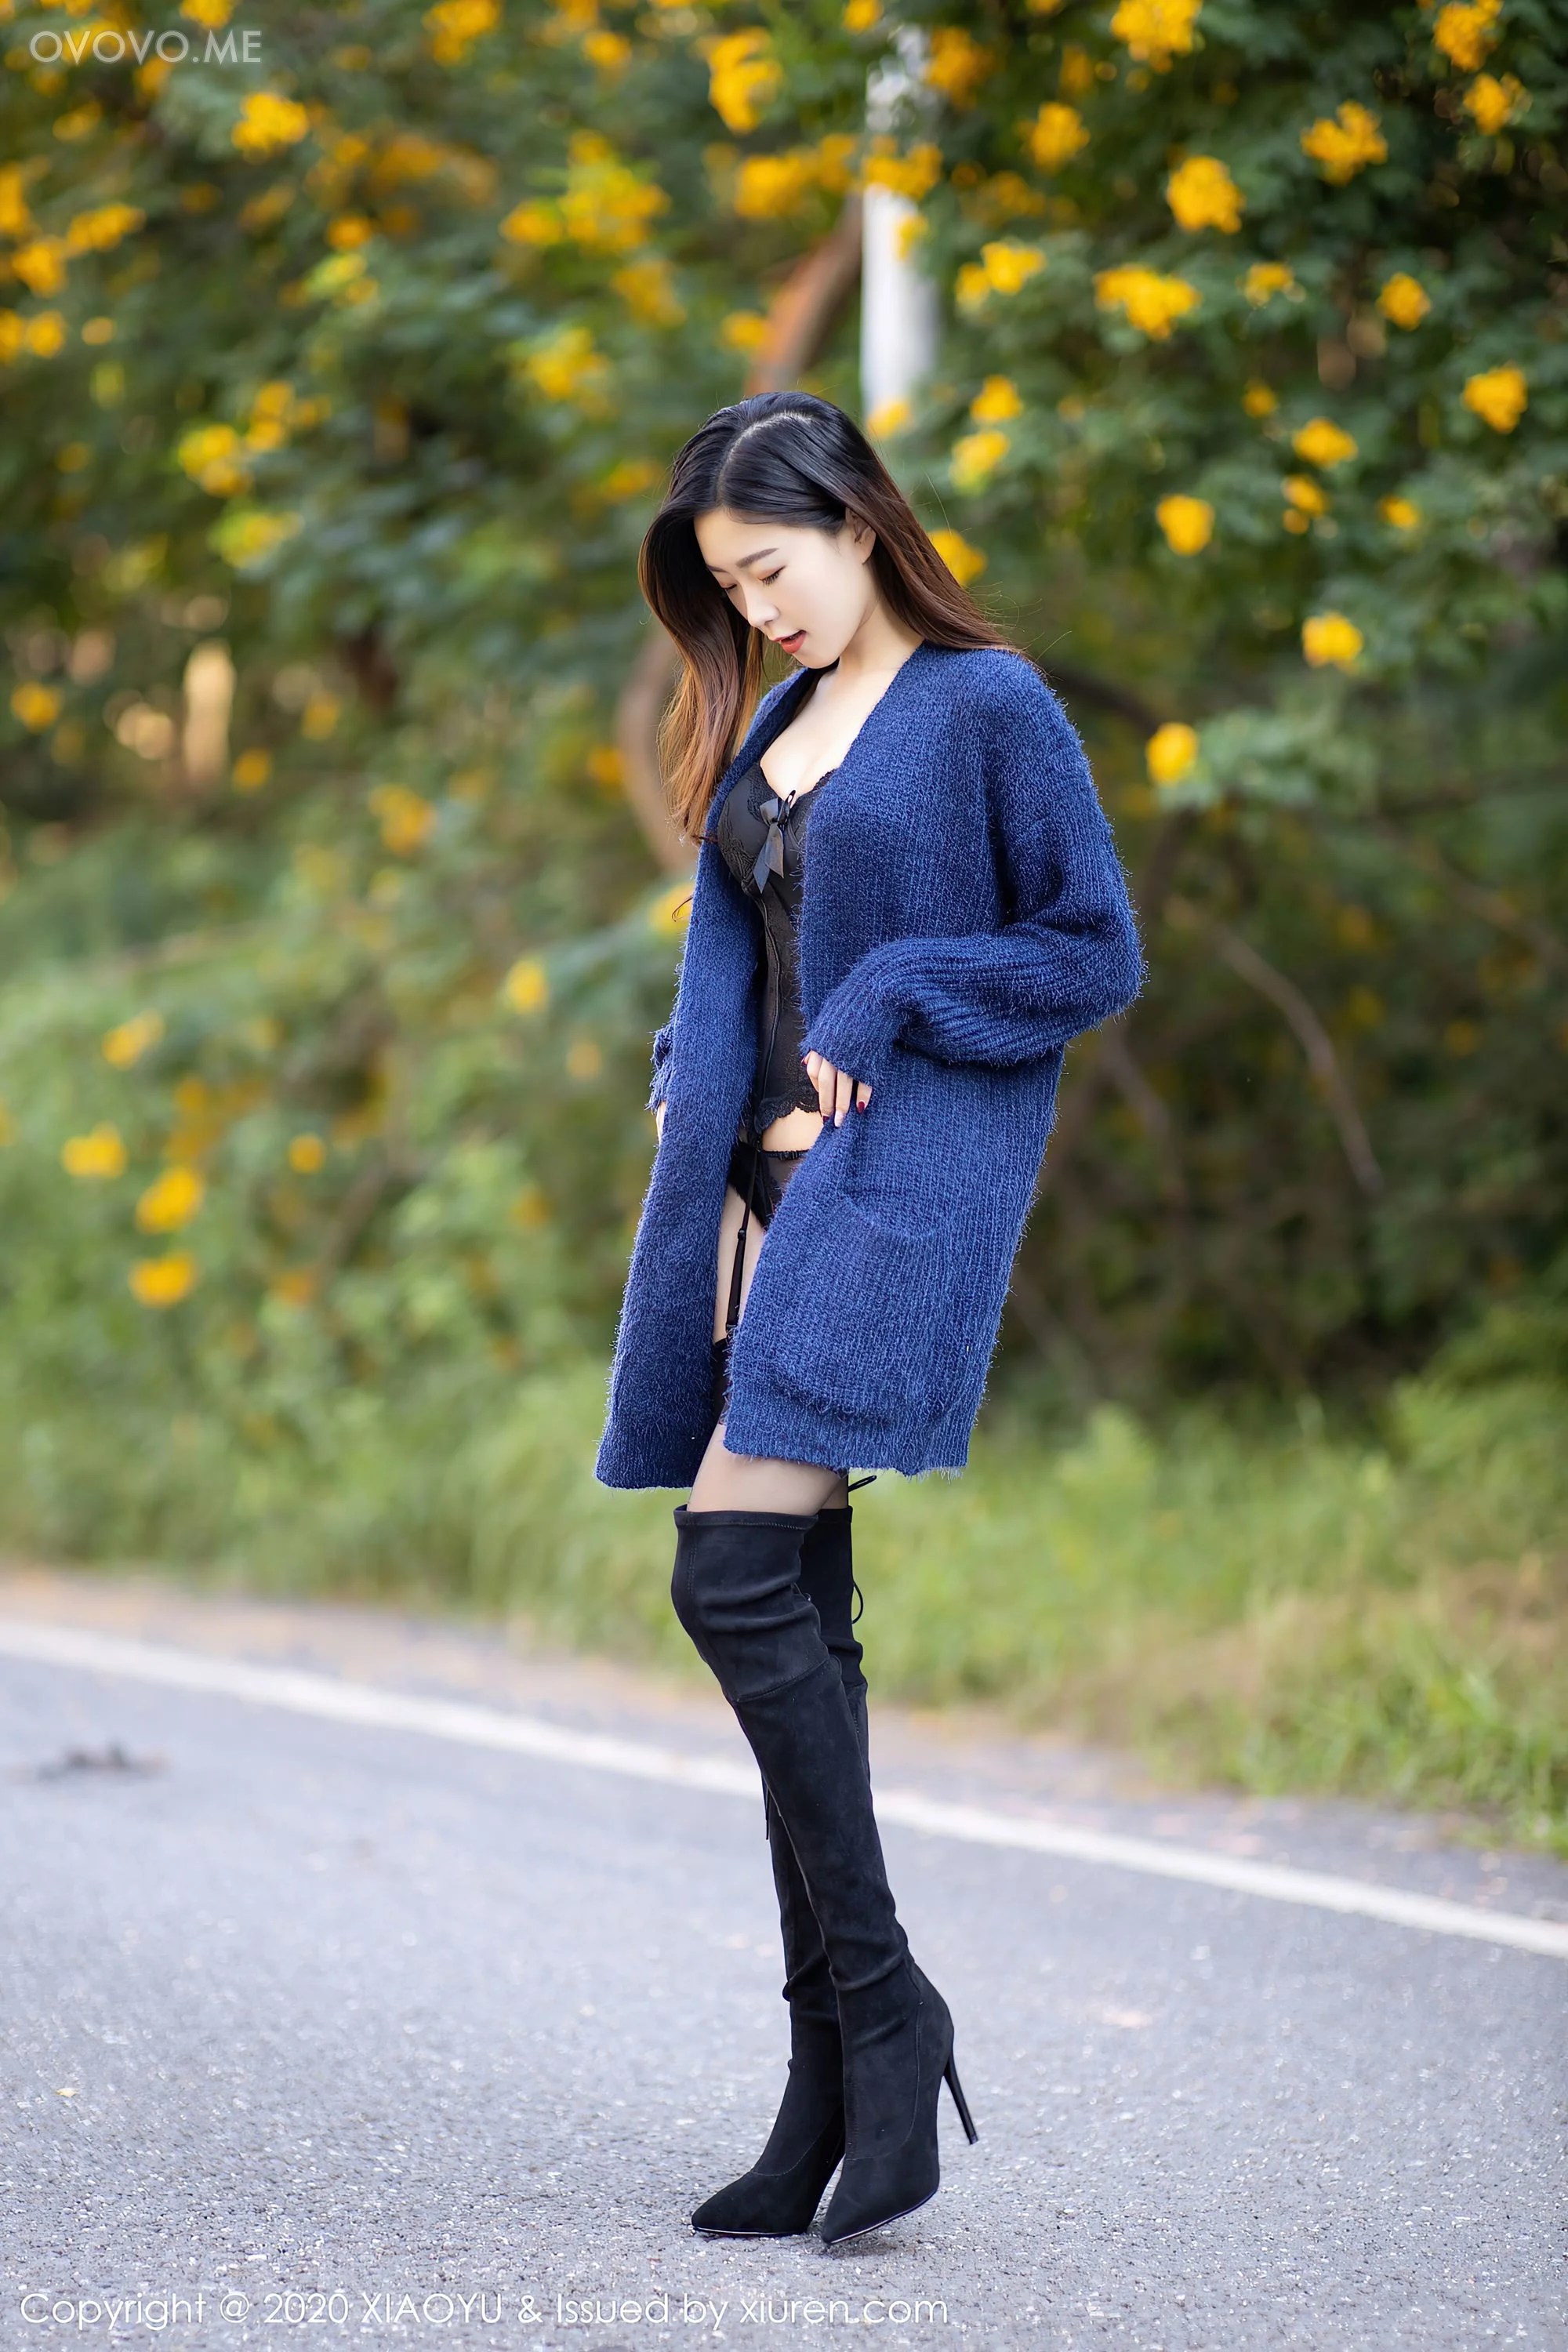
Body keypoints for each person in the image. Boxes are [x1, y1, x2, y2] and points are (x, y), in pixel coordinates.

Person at [594, 393, 1144, 2246]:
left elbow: (1089, 948)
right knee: (796, 1629)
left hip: (883, 1194)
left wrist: (899, 986)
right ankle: (827, 2080)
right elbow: (744, 950)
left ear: (852, 519)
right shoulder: (775, 720)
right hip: (741, 1201)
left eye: (770, 570)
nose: (758, 614)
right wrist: (685, 1068)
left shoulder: (989, 709)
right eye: (731, 593)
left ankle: (889, 2011)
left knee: (730, 1577)